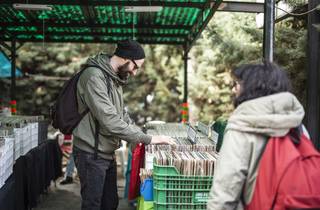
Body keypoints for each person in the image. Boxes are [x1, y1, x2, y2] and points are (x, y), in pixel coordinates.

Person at [72, 40, 175, 210]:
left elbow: (122, 115)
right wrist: (150, 139)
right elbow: (110, 121)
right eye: (135, 67)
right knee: (92, 205)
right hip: (91, 153)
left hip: (105, 151)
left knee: (110, 203)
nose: (134, 73)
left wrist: (139, 134)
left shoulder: (114, 77)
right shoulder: (93, 76)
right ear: (125, 58)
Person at [207, 62, 306, 210]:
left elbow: (224, 193)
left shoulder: (240, 127)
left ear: (252, 87)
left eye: (237, 84)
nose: (234, 90)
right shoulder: (296, 124)